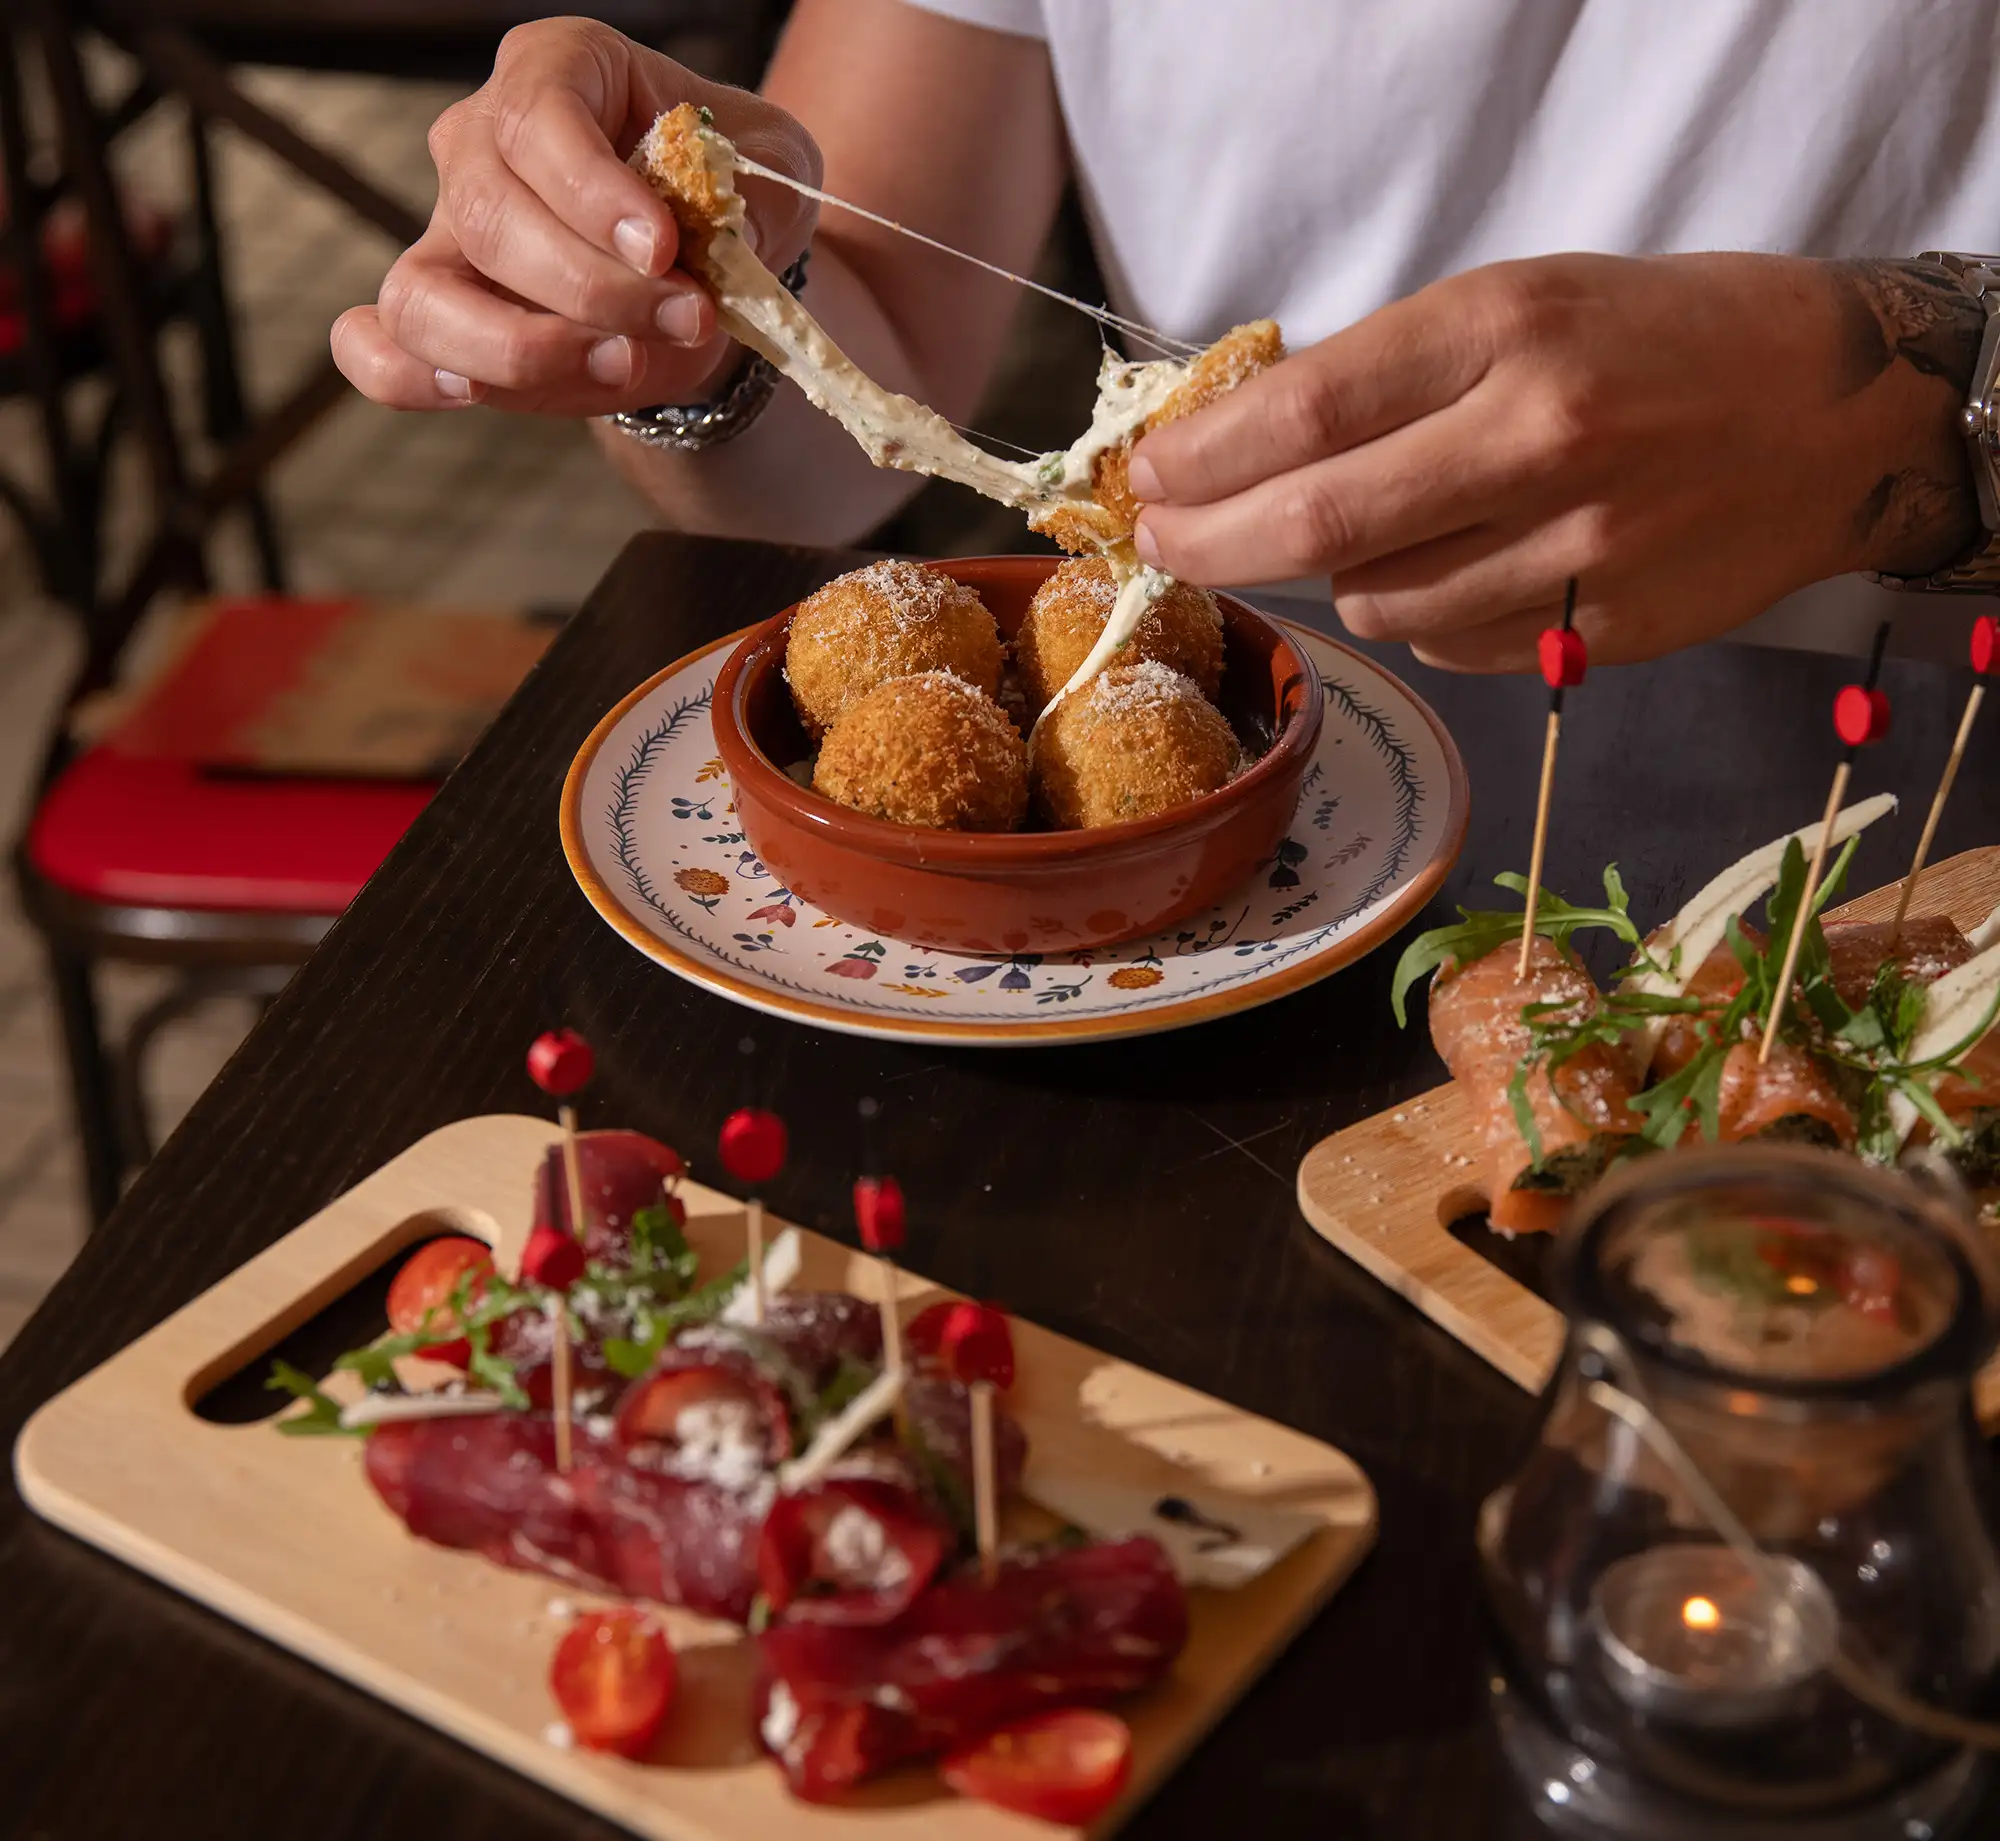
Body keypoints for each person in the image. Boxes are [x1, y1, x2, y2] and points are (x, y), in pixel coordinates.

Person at [331, 1, 2000, 670]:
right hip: (1251, 808)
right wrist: (697, 314)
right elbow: (855, 394)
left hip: (1930, 798)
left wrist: (1915, 422)